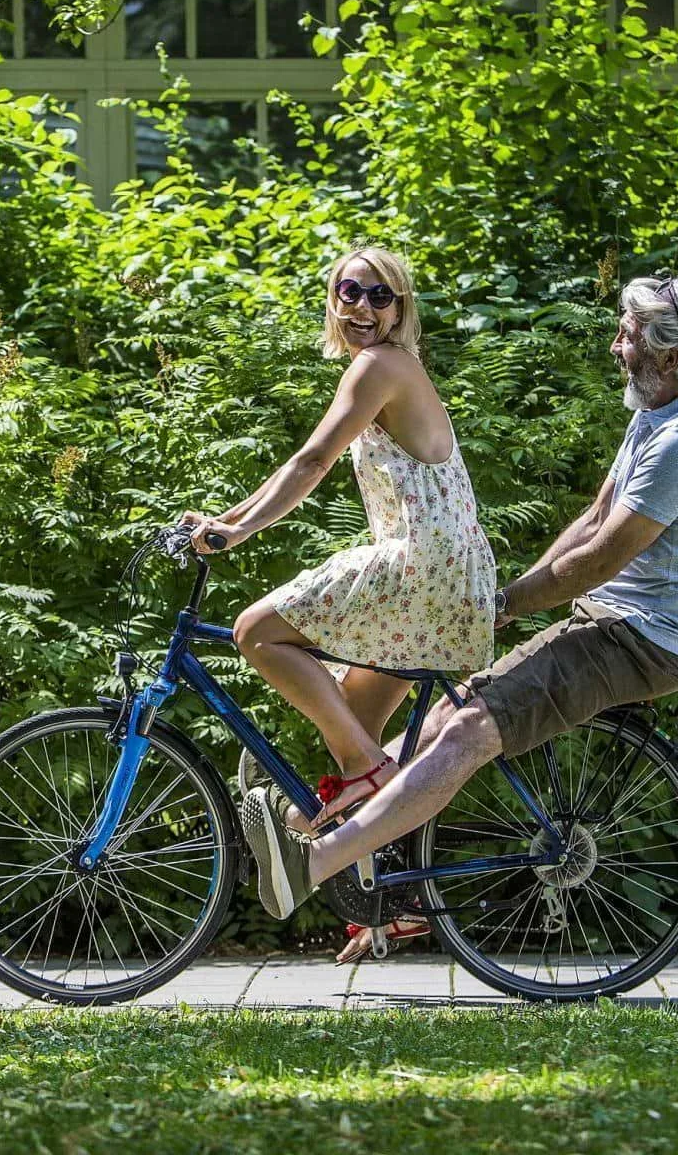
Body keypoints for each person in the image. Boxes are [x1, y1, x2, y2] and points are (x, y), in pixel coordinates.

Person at [240, 275, 678, 939]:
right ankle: (310, 823)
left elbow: (599, 560)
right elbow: (592, 520)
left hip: (645, 640)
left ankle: (317, 863)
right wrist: (511, 599)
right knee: (446, 713)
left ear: (671, 356)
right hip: (609, 621)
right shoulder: (657, 415)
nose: (616, 345)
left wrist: (509, 600)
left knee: (471, 730)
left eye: (629, 335)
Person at [182, 244, 496, 954]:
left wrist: (233, 533)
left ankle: (361, 773)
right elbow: (304, 461)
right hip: (447, 575)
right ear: (333, 298)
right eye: (351, 291)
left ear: (400, 310)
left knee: (257, 632)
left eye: (380, 297)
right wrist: (225, 522)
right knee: (356, 727)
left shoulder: (380, 366)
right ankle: (401, 901)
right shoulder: (386, 367)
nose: (362, 307)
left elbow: (311, 460)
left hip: (424, 566)